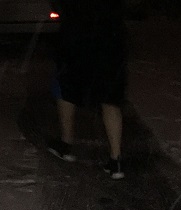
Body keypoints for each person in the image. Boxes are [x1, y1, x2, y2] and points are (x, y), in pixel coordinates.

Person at [47, 0, 127, 180]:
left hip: (78, 34)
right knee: (110, 95)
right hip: (111, 37)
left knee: (65, 84)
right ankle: (116, 160)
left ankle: (66, 144)